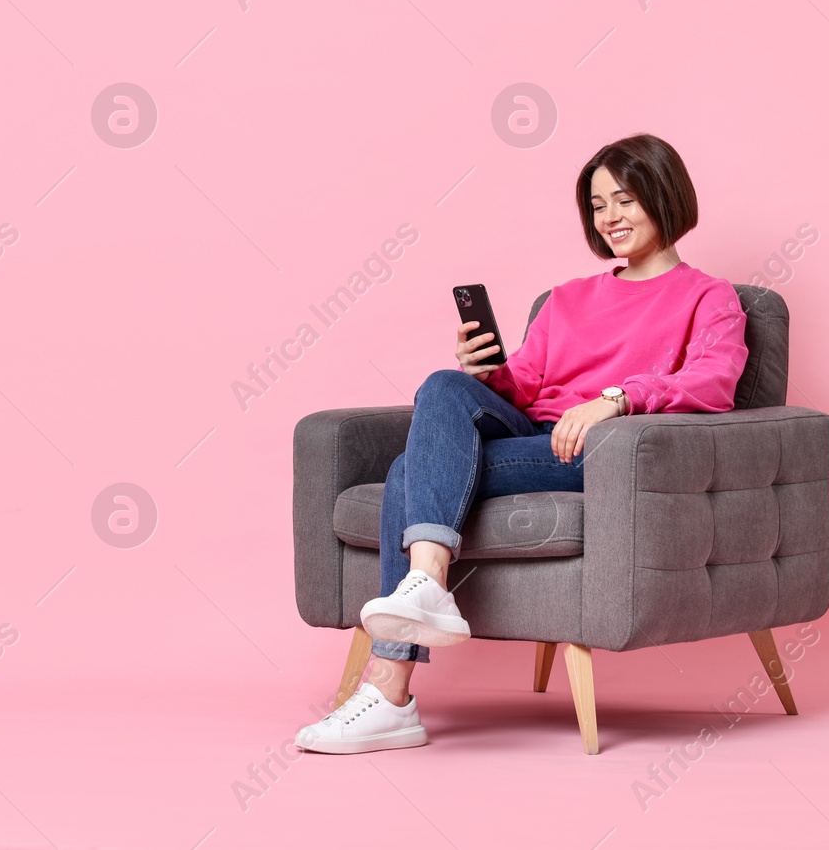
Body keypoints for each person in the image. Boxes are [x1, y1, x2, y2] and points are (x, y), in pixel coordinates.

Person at [294, 133, 750, 754]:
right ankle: (424, 588)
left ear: (664, 195)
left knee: (408, 471)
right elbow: (526, 387)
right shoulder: (566, 299)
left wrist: (616, 398)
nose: (610, 217)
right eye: (597, 205)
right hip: (532, 435)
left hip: (603, 450)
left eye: (625, 199)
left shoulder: (709, 297)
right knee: (445, 386)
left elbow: (713, 382)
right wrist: (487, 373)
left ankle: (389, 692)